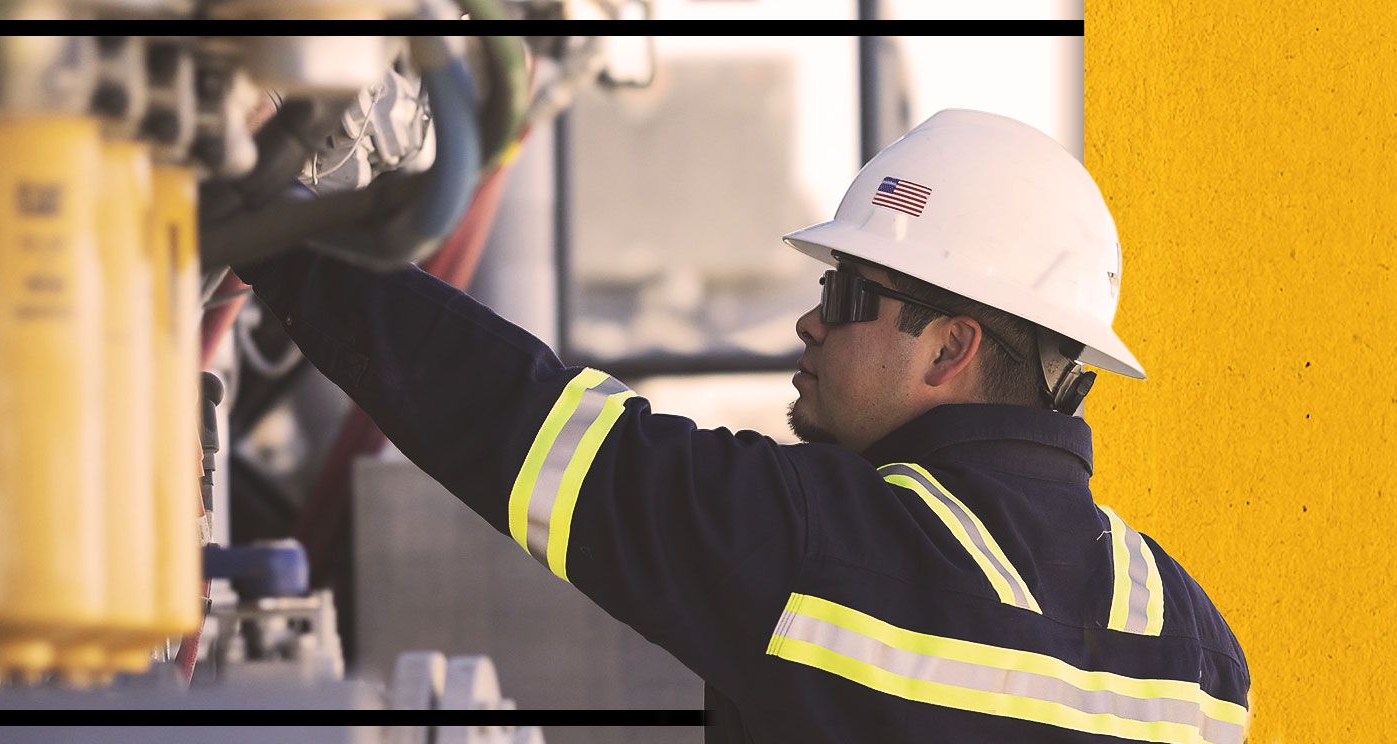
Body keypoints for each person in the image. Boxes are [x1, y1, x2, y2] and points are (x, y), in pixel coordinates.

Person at [231, 109, 1249, 742]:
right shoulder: (1201, 654)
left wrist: (270, 229)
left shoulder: (832, 545)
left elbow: (519, 424)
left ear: (950, 350)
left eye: (850, 294)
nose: (810, 318)